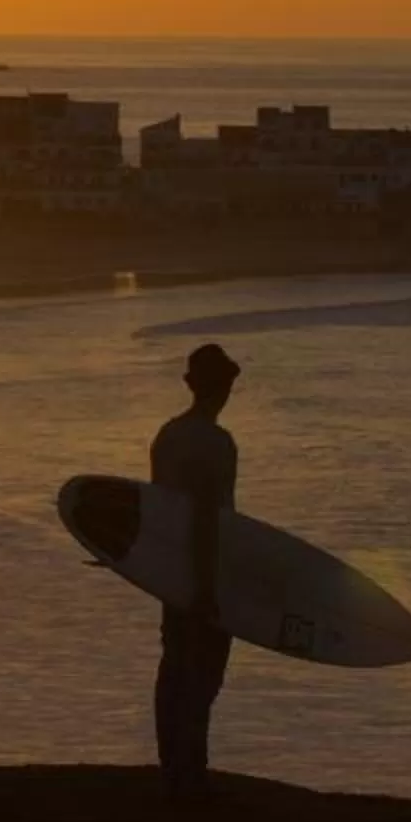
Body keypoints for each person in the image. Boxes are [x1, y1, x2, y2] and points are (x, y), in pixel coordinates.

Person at [149, 341, 241, 797]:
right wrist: (208, 585)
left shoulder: (166, 436)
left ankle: (172, 768)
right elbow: (208, 516)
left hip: (168, 571)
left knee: (174, 665)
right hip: (202, 571)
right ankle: (192, 772)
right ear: (224, 388)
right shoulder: (216, 442)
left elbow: (158, 509)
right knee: (204, 671)